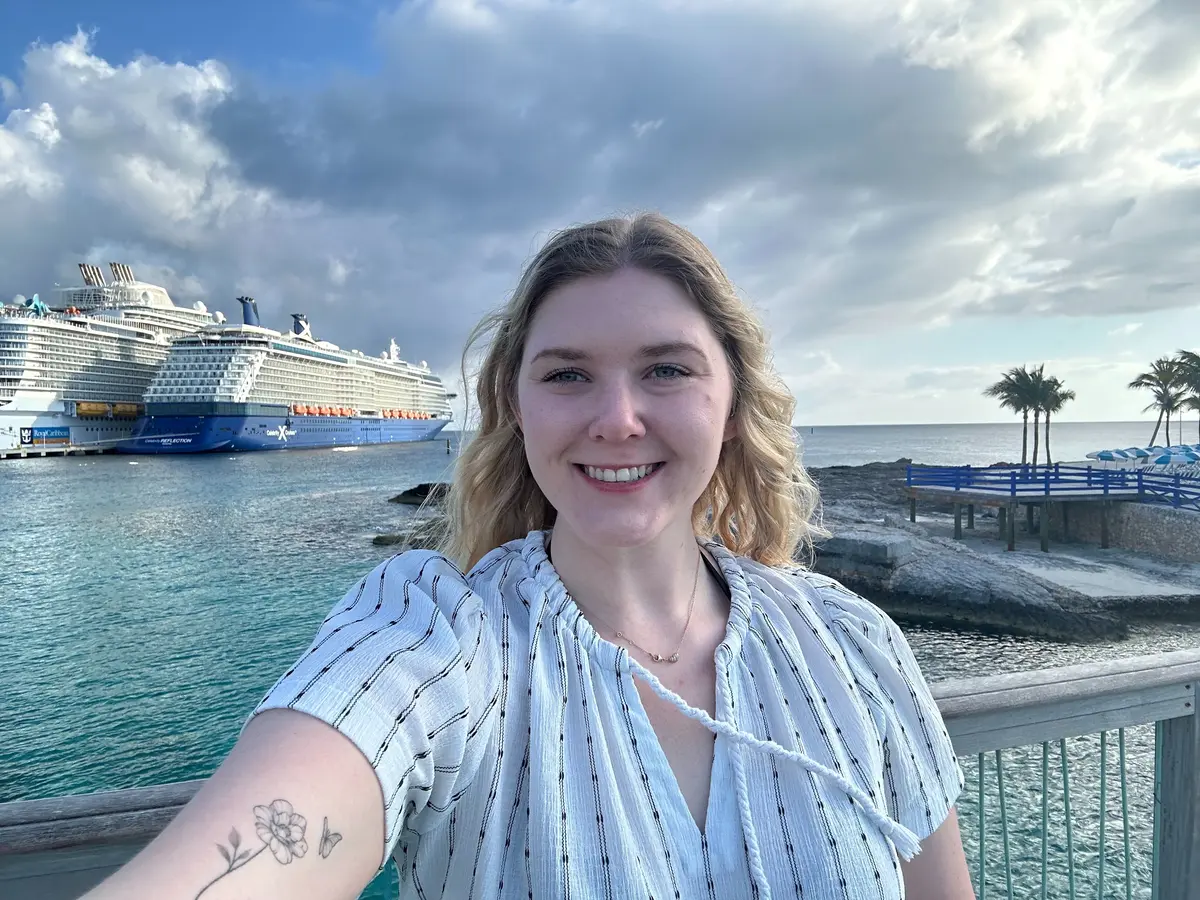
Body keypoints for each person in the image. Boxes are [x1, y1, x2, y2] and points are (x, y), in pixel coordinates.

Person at [81, 213, 973, 899]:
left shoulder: (852, 643)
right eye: (566, 374)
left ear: (733, 404)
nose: (616, 418)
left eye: (666, 370)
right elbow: (295, 800)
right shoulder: (440, 638)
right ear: (516, 408)